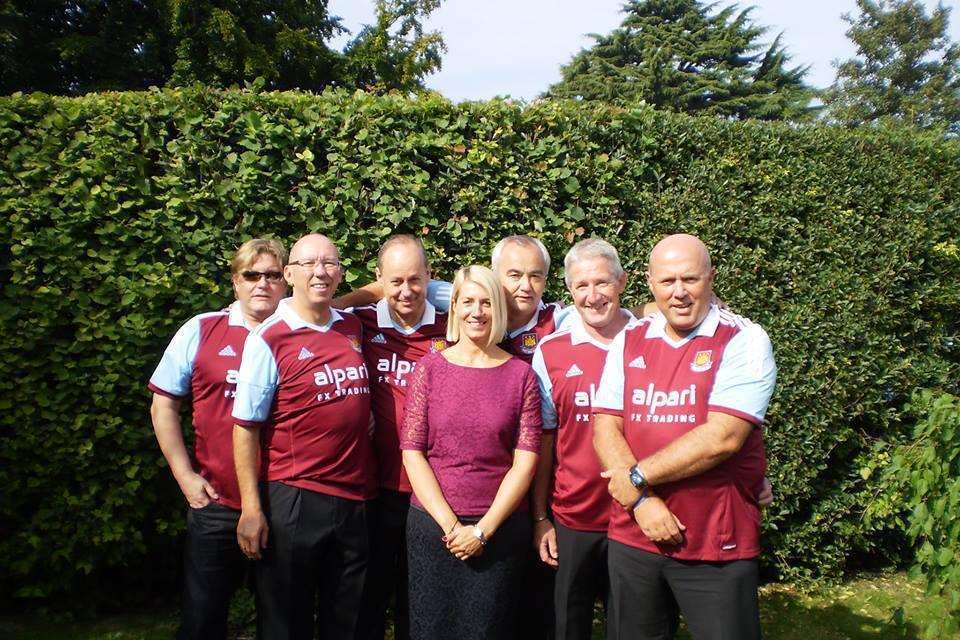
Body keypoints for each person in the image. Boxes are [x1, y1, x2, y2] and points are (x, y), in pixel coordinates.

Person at [593, 234, 777, 640]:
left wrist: (636, 480)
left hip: (715, 545)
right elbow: (606, 422)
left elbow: (723, 438)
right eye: (667, 281)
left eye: (690, 279)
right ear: (649, 282)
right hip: (633, 536)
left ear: (711, 277)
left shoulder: (744, 340)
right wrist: (641, 502)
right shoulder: (630, 338)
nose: (678, 292)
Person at [232, 233, 376, 640]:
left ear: (341, 273)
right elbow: (245, 427)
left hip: (356, 497)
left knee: (345, 618)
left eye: (330, 263)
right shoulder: (268, 339)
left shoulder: (351, 325)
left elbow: (394, 283)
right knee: (285, 620)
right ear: (290, 273)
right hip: (296, 495)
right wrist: (251, 508)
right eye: (310, 263)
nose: (320, 271)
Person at [148, 238, 288, 640]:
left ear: (286, 282)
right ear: (235, 282)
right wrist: (184, 476)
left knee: (280, 621)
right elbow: (163, 406)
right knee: (202, 617)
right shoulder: (202, 328)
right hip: (217, 502)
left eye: (273, 275)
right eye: (251, 275)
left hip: (282, 502)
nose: (262, 283)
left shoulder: (302, 334)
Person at [400, 265, 542, 640]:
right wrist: (452, 528)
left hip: (499, 531)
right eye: (468, 302)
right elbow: (413, 452)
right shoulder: (428, 370)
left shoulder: (521, 376)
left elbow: (524, 461)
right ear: (455, 308)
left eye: (486, 303)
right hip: (434, 529)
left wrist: (482, 531)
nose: (476, 312)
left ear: (499, 310)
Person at [530, 238, 634, 640]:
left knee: (629, 627)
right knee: (568, 626)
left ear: (622, 282)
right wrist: (541, 517)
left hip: (637, 513)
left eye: (602, 283)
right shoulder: (552, 351)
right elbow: (544, 439)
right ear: (569, 292)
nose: (593, 296)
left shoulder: (653, 340)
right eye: (581, 287)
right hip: (574, 516)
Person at [353, 235, 449, 640]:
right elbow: (311, 309)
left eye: (415, 279)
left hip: (431, 491)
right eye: (395, 281)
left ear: (429, 276)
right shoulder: (359, 322)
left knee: (421, 598)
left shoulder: (454, 327)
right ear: (378, 280)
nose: (406, 291)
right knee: (368, 595)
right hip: (374, 487)